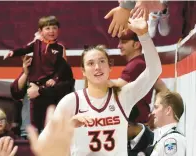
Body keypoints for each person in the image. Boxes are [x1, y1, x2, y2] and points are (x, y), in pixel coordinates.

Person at [33, 11, 162, 156]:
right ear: (83, 71)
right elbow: (42, 145)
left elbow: (154, 71)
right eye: (90, 63)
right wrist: (68, 127)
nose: (97, 67)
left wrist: (144, 35)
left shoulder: (123, 96)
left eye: (102, 61)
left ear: (110, 67)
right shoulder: (71, 101)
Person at [108, 29, 168, 123]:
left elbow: (116, 89)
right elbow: (162, 88)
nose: (119, 46)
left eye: (123, 42)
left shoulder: (136, 65)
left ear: (136, 45)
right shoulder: (142, 63)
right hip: (141, 121)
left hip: (135, 123)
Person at [10, 54, 75, 133]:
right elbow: (16, 92)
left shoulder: (64, 74)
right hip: (29, 130)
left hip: (55, 130)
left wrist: (40, 91)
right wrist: (25, 73)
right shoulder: (31, 71)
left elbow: (65, 89)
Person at [4, 15, 66, 87]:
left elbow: (62, 67)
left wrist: (55, 79)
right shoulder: (36, 43)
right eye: (47, 28)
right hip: (34, 81)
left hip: (49, 83)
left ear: (58, 30)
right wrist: (13, 52)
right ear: (40, 31)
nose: (51, 31)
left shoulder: (60, 48)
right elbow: (24, 49)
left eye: (54, 28)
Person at [147, 91, 186, 156]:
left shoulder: (172, 140)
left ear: (168, 110)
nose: (153, 112)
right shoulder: (166, 138)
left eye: (156, 107)